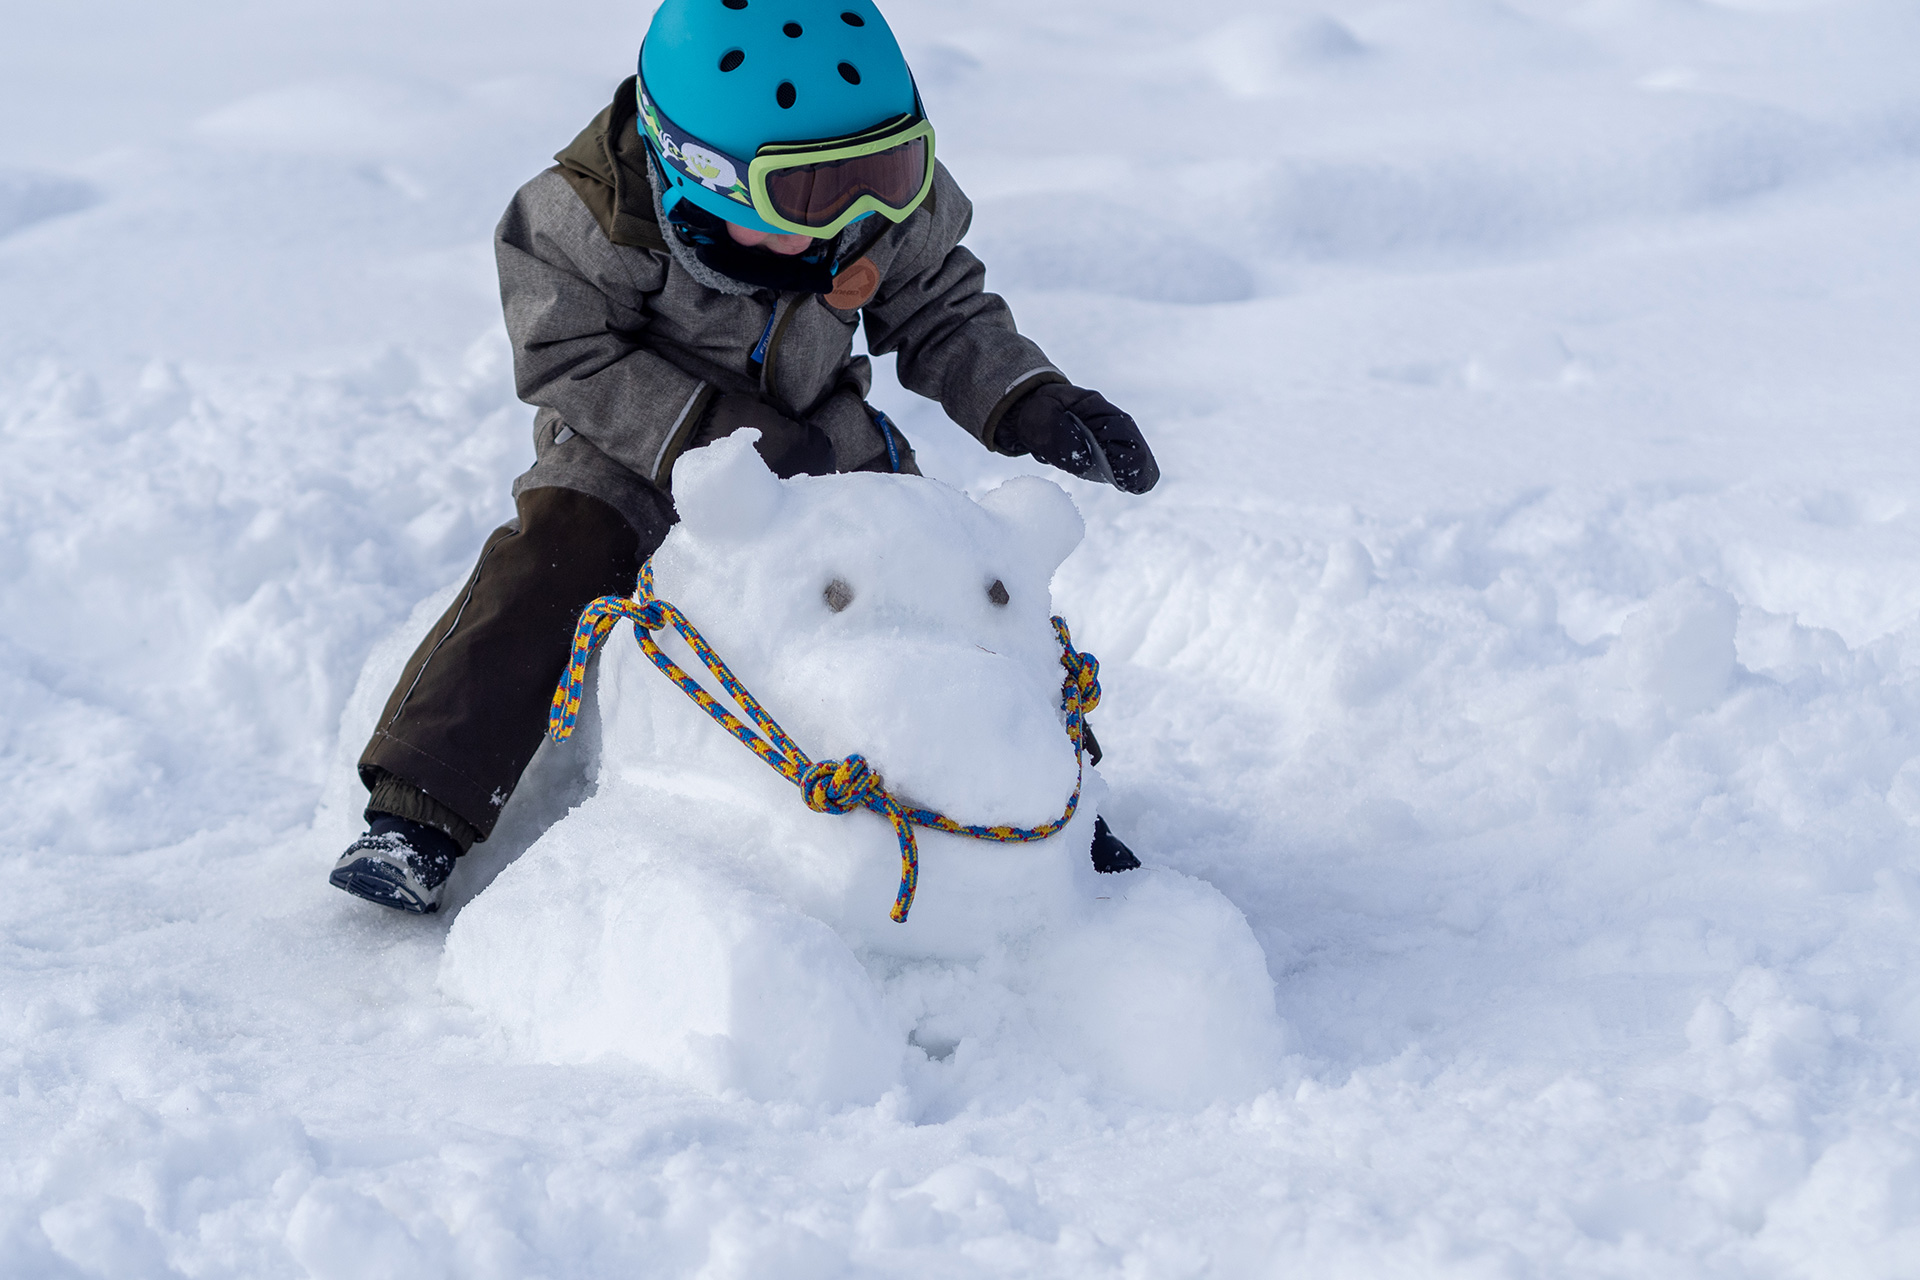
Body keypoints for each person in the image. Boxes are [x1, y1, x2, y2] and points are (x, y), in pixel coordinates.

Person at [330, 0, 1159, 913]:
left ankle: (1049, 803)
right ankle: (421, 809)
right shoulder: (586, 218)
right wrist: (712, 430)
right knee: (549, 564)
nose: (854, 213)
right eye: (807, 193)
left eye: (885, 171)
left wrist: (1028, 397)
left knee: (935, 572)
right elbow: (567, 355)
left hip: (819, 433)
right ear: (699, 173)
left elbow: (941, 308)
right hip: (629, 449)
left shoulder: (862, 202)